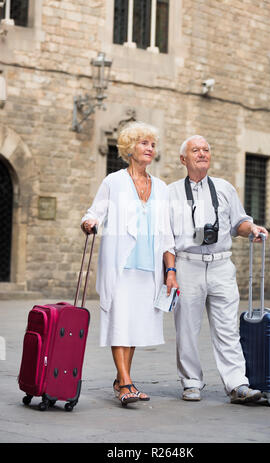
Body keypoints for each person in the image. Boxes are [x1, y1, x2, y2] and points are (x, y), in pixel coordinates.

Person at [165, 135, 268, 404]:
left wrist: (252, 230)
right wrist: (170, 271)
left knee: (228, 328)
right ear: (182, 159)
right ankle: (190, 382)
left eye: (206, 149)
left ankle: (237, 384)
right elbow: (164, 237)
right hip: (188, 264)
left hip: (222, 264)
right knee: (186, 327)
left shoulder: (224, 188)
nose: (202, 153)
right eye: (195, 150)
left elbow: (240, 222)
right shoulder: (171, 192)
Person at [81, 121, 175, 407]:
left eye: (152, 144)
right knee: (119, 320)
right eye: (144, 143)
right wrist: (89, 222)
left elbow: (168, 234)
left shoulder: (161, 187)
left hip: (149, 268)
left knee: (133, 324)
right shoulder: (113, 182)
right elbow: (94, 212)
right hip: (120, 266)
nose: (150, 148)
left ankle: (122, 379)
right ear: (130, 148)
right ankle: (126, 383)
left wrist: (170, 270)